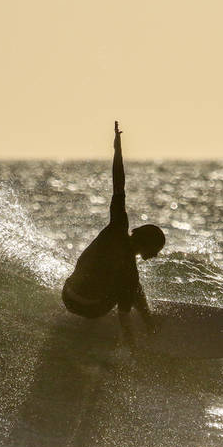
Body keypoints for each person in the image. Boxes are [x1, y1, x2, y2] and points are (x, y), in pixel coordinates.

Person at [62, 121, 165, 343]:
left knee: (129, 284)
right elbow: (124, 318)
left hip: (68, 295)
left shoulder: (118, 225)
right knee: (133, 288)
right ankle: (149, 324)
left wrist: (117, 149)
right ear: (146, 245)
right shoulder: (129, 272)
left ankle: (147, 319)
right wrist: (133, 349)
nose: (156, 255)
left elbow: (119, 185)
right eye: (156, 249)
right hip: (91, 309)